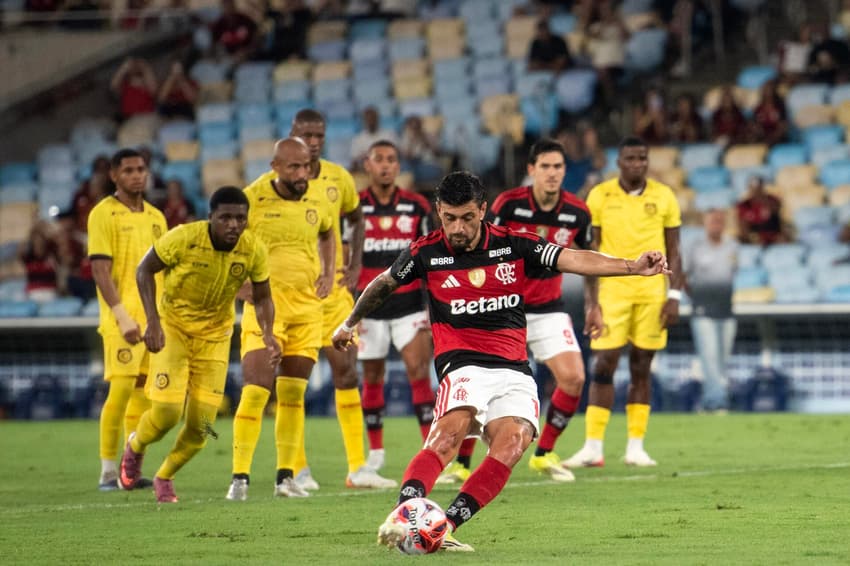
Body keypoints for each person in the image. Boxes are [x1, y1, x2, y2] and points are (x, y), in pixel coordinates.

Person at [331, 171, 669, 551]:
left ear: (483, 210)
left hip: (513, 367)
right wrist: (349, 324)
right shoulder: (425, 251)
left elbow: (573, 258)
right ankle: (402, 516)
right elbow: (385, 283)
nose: (457, 228)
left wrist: (633, 267)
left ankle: (444, 526)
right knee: (449, 433)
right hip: (462, 363)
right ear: (439, 212)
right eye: (449, 218)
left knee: (513, 442)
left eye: (467, 218)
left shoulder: (513, 244)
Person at [438, 139, 592, 485]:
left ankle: (544, 453)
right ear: (531, 169)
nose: (552, 173)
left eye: (558, 166)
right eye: (545, 166)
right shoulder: (509, 204)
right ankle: (461, 463)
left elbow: (587, 257)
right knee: (480, 385)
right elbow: (477, 243)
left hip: (548, 309)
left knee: (574, 378)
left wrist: (593, 306)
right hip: (504, 309)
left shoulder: (578, 212)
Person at [119, 187, 279, 502]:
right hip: (174, 330)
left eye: (240, 219)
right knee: (167, 413)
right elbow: (144, 270)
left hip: (215, 338)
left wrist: (268, 334)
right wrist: (153, 321)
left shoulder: (253, 249)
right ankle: (136, 445)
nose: (233, 225)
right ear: (210, 217)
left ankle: (165, 475)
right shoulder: (184, 237)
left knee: (203, 425)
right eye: (226, 218)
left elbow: (262, 296)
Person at [288, 109, 396, 490]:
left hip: (334, 293)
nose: (314, 141)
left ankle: (357, 468)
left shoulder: (338, 177)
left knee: (347, 373)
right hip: (294, 296)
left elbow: (356, 219)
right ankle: (295, 468)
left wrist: (355, 265)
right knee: (293, 383)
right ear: (292, 134)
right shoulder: (272, 186)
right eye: (306, 134)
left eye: (319, 135)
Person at [225, 138, 335, 500]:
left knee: (292, 394)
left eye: (306, 166)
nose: (302, 173)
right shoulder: (251, 199)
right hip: (265, 311)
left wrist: (328, 271)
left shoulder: (317, 197)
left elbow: (328, 232)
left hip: (307, 310)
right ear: (275, 166)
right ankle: (239, 477)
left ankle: (285, 477)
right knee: (256, 390)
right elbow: (224, 243)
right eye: (294, 167)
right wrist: (238, 285)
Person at [565, 136, 683, 469]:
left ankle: (635, 447)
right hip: (612, 291)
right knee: (603, 364)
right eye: (630, 158)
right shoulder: (600, 195)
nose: (637, 164)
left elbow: (675, 250)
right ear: (619, 162)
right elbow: (590, 253)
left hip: (651, 292)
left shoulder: (664, 196)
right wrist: (592, 303)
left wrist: (674, 295)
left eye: (642, 158)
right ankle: (593, 447)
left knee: (641, 367)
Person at [88, 148, 168, 491]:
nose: (137, 175)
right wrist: (121, 316)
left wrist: (160, 318)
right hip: (121, 320)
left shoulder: (157, 217)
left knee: (143, 396)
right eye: (129, 170)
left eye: (141, 169)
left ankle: (129, 472)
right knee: (120, 392)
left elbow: (163, 271)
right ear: (114, 175)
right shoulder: (102, 214)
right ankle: (107, 472)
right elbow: (100, 270)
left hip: (152, 319)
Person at [356, 140, 435, 473]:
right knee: (372, 377)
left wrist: (433, 307)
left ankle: (431, 450)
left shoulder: (417, 206)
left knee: (419, 372)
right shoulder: (354, 206)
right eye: (379, 159)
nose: (386, 165)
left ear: (399, 166)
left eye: (391, 159)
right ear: (368, 165)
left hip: (410, 305)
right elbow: (347, 257)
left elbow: (430, 258)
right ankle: (376, 452)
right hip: (369, 307)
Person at [683, 208, 738, 413]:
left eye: (720, 221)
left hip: (726, 310)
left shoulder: (732, 246)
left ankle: (709, 401)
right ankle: (718, 401)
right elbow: (682, 274)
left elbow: (732, 273)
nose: (716, 225)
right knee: (710, 357)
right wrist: (696, 297)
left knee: (722, 359)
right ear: (705, 224)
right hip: (702, 311)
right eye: (713, 221)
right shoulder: (695, 247)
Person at [19, 222, 60, 304]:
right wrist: (35, 230)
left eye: (41, 243)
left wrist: (47, 232)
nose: (39, 246)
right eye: (36, 243)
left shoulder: (52, 255)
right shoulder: (28, 258)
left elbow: (58, 243)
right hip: (33, 293)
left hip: (50, 292)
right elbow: (21, 248)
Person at [350, 106, 397, 173]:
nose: (371, 121)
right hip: (365, 173)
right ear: (364, 120)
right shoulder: (358, 139)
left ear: (377, 119)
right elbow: (354, 161)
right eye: (368, 119)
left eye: (373, 118)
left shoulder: (388, 135)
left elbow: (396, 156)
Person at [110, 57, 158, 122]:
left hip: (146, 117)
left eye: (137, 65)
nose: (134, 67)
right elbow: (113, 86)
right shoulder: (125, 84)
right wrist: (123, 68)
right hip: (128, 119)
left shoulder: (146, 83)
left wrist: (145, 67)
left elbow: (154, 90)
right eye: (132, 66)